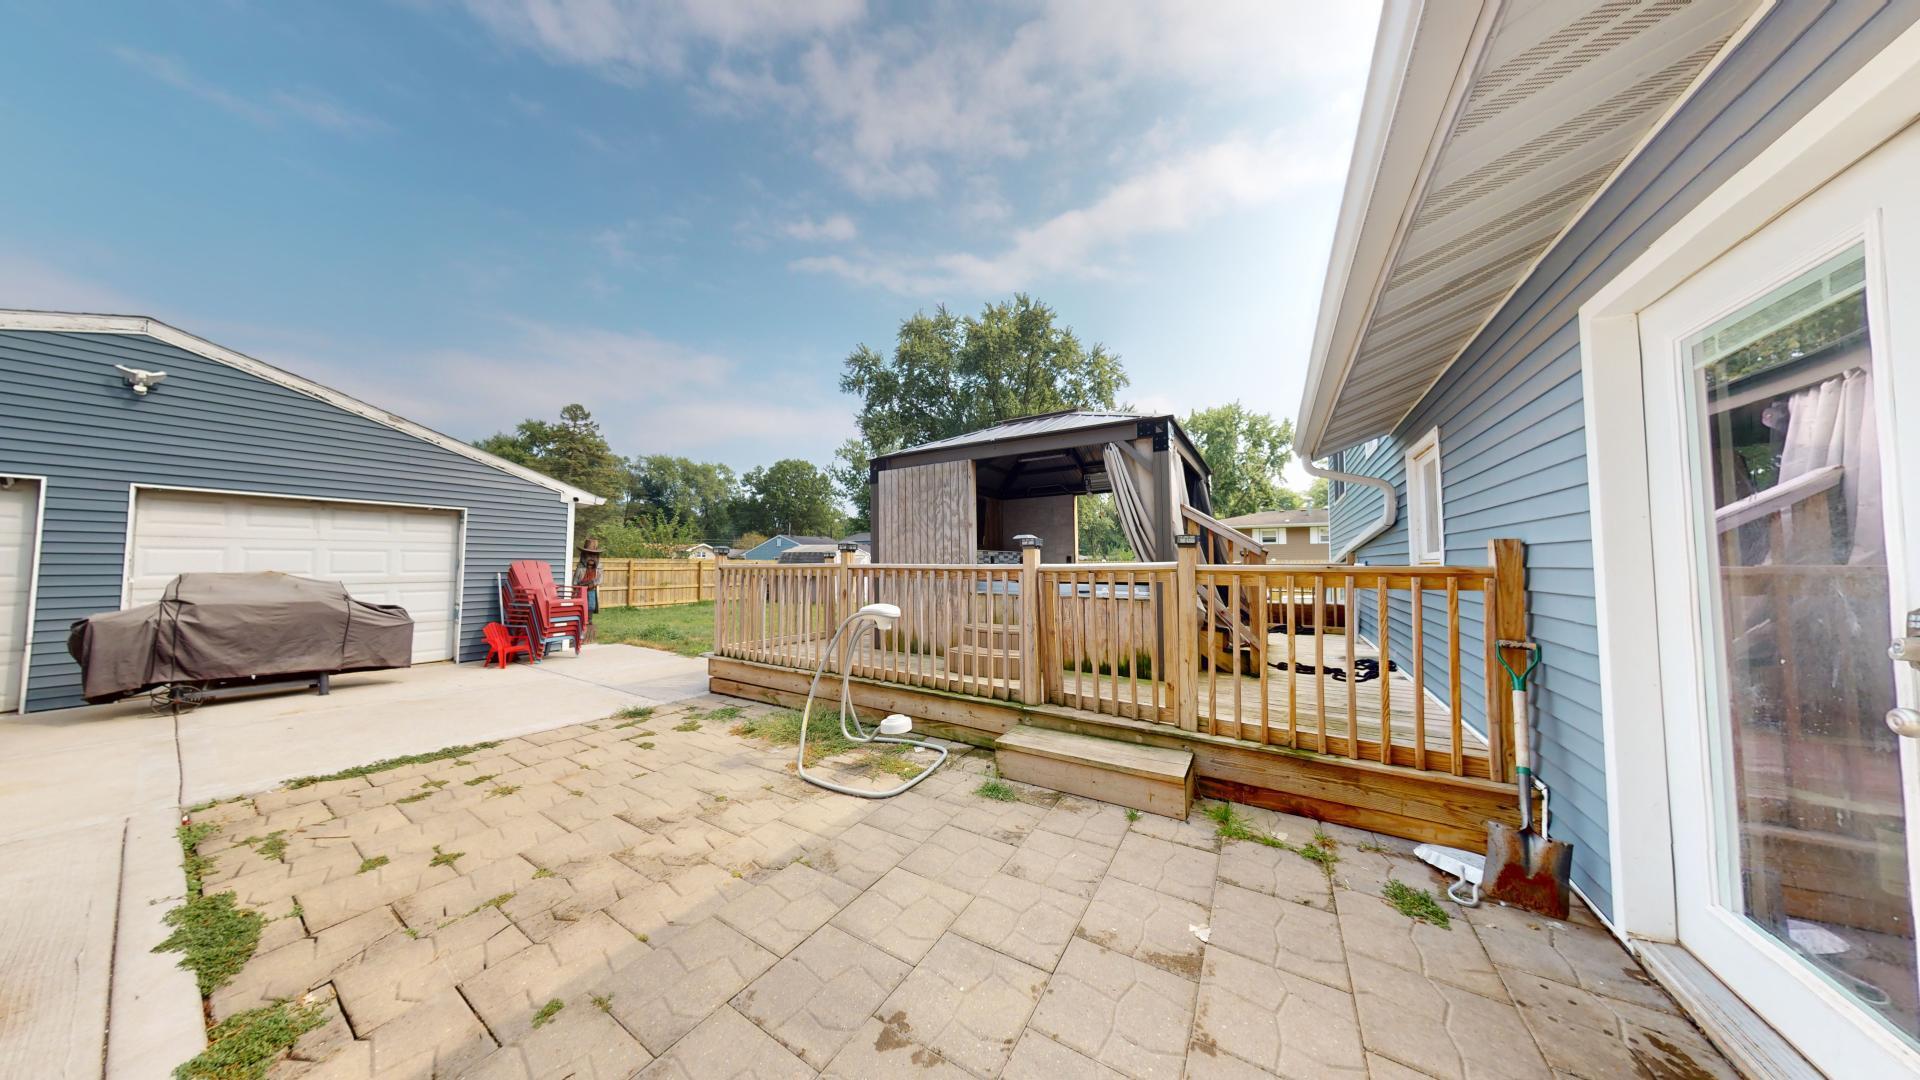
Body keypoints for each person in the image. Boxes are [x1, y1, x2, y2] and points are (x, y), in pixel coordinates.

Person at [574, 537, 603, 625]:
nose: (591, 558)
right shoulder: (580, 568)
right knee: (581, 604)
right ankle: (581, 619)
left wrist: (593, 583)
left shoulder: (599, 568)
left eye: (594, 555)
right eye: (589, 555)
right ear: (583, 555)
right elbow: (575, 579)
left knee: (591, 604)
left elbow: (600, 579)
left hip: (591, 589)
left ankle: (589, 619)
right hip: (581, 588)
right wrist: (576, 587)